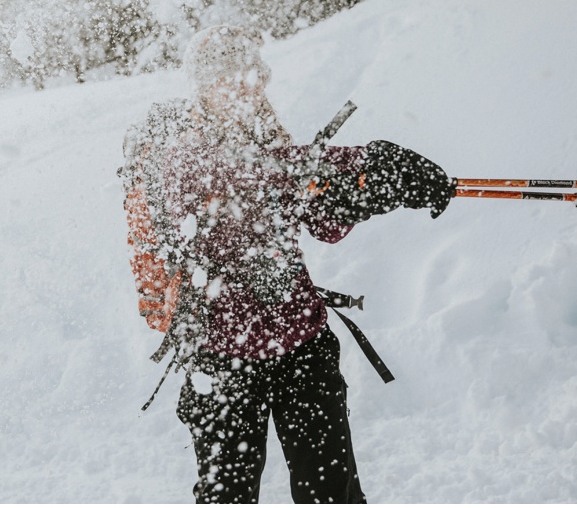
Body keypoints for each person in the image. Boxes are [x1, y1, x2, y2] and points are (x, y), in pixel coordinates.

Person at [153, 25, 453, 504]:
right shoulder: (185, 157)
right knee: (226, 497)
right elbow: (262, 181)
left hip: (302, 345)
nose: (244, 87)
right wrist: (362, 164)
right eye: (228, 78)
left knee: (331, 494)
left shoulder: (273, 148)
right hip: (223, 360)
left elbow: (322, 221)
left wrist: (369, 190)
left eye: (252, 76)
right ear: (204, 91)